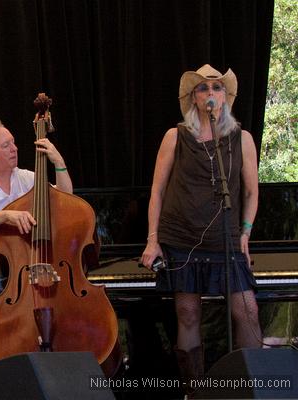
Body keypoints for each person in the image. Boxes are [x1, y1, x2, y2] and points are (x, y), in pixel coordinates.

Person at [140, 64, 262, 391]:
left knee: (247, 310)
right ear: (194, 98)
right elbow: (158, 191)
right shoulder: (175, 136)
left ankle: (255, 390)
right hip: (181, 237)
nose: (211, 94)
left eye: (217, 88)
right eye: (203, 89)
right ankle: (195, 392)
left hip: (225, 239)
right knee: (188, 313)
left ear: (225, 97)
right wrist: (153, 240)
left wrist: (245, 232)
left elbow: (251, 191)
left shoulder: (242, 139)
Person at [0, 120, 73, 343]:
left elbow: (66, 198)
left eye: (13, 142)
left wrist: (58, 162)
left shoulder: (27, 178)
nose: (15, 148)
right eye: (6, 145)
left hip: (28, 254)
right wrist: (6, 215)